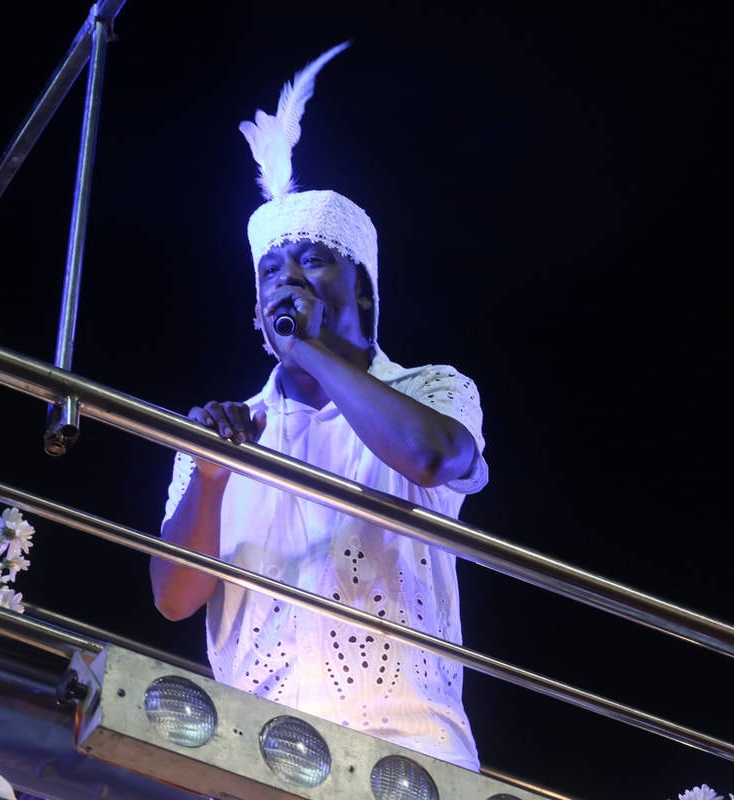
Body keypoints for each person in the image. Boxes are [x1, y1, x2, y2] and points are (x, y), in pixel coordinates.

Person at [151, 43, 488, 771]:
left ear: (363, 291)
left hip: (407, 750)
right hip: (252, 748)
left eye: (312, 260)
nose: (287, 280)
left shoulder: (432, 389)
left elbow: (435, 457)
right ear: (254, 310)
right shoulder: (224, 429)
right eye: (271, 269)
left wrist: (310, 351)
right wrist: (209, 480)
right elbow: (175, 600)